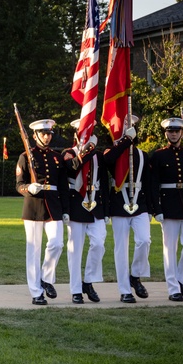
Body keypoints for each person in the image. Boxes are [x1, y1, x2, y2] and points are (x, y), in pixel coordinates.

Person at [149, 117, 183, 302]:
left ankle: (181, 279)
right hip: (168, 204)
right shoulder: (158, 155)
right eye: (170, 131)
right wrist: (156, 209)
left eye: (177, 131)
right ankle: (173, 289)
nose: (173, 134)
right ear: (166, 134)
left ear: (182, 133)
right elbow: (153, 184)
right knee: (169, 249)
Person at [17, 119, 69, 305]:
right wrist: (28, 188)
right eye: (43, 134)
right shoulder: (26, 156)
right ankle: (36, 292)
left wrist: (65, 210)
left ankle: (46, 278)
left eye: (49, 134)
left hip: (53, 205)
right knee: (34, 250)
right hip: (33, 206)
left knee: (57, 243)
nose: (47, 137)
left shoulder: (57, 157)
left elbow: (63, 186)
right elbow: (18, 184)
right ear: (35, 135)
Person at [101, 117, 151, 303]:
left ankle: (135, 275)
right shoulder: (112, 152)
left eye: (130, 128)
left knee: (144, 240)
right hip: (118, 202)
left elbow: (148, 183)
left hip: (140, 203)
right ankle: (124, 290)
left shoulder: (142, 155)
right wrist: (124, 141)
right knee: (121, 249)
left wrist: (153, 208)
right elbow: (108, 160)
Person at [63, 123, 108, 303]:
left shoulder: (98, 155)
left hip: (95, 204)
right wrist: (85, 151)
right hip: (75, 204)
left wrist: (106, 210)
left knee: (99, 243)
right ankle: (75, 290)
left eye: (89, 132)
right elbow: (71, 168)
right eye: (83, 133)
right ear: (76, 134)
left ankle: (88, 281)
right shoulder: (68, 153)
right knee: (75, 250)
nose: (86, 136)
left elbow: (104, 182)